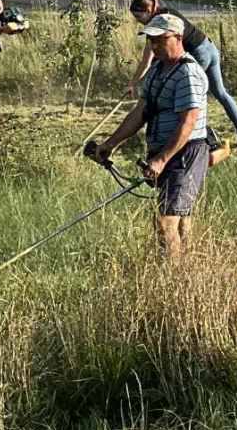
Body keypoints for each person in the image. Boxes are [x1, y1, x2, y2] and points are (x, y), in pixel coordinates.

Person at [89, 14, 216, 258]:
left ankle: (172, 273)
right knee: (180, 216)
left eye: (160, 39)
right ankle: (188, 265)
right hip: (164, 151)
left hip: (185, 152)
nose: (154, 45)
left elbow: (188, 122)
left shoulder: (188, 73)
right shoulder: (157, 70)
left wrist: (162, 160)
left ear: (178, 37)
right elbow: (140, 112)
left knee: (166, 221)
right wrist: (110, 144)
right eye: (151, 40)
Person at [128, 0, 237, 146]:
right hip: (209, 48)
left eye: (138, 16)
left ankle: (201, 137)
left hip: (199, 53)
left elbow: (147, 62)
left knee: (182, 96)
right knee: (221, 93)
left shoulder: (160, 24)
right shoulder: (166, 12)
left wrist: (133, 83)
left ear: (148, 10)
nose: (138, 21)